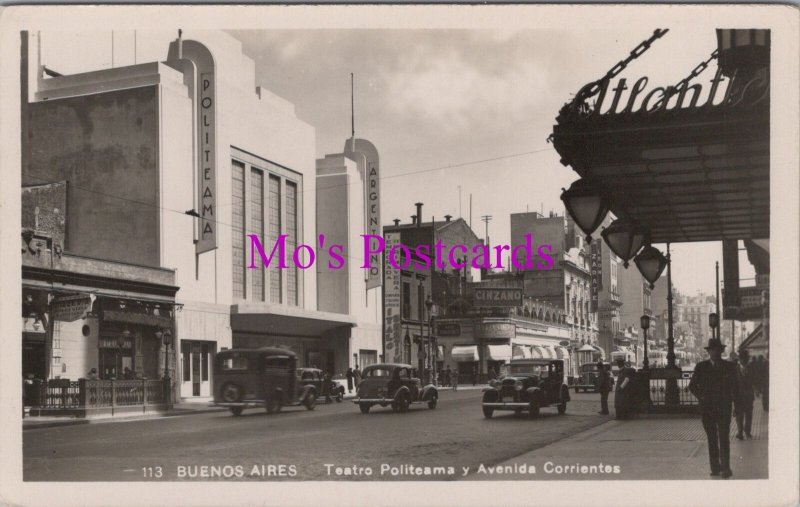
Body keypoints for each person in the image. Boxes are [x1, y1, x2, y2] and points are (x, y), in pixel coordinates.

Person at [689, 338, 740, 479]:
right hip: (707, 409)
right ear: (709, 351)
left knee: (724, 438)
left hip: (724, 407)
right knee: (712, 438)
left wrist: (737, 405)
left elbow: (735, 388)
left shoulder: (730, 367)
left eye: (718, 350)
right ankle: (715, 468)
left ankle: (725, 468)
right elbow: (692, 386)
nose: (715, 352)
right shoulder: (701, 367)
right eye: (712, 350)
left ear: (722, 351)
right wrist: (702, 397)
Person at [734, 350, 754, 440]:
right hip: (739, 397)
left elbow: (754, 379)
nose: (744, 361)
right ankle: (740, 432)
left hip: (749, 396)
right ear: (739, 359)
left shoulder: (751, 368)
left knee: (749, 415)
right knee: (739, 415)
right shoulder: (735, 369)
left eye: (746, 359)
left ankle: (747, 431)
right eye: (743, 359)